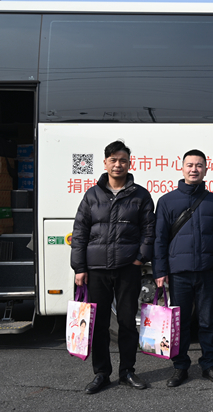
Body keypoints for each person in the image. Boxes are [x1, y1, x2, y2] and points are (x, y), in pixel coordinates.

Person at [71, 140, 155, 394]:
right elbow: (80, 232)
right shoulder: (92, 195)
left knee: (127, 322)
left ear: (129, 163)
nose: (118, 164)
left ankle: (127, 371)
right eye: (113, 160)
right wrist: (79, 268)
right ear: (105, 163)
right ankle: (101, 373)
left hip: (128, 268)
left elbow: (149, 230)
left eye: (123, 160)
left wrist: (140, 258)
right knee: (99, 324)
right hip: (97, 270)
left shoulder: (140, 195)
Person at [153, 149, 213, 387]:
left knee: (208, 321)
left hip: (207, 270)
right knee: (180, 322)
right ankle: (180, 367)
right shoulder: (166, 201)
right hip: (179, 273)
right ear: (182, 167)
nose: (194, 169)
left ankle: (209, 364)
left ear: (206, 169)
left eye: (199, 165)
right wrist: (160, 271)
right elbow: (159, 239)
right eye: (190, 165)